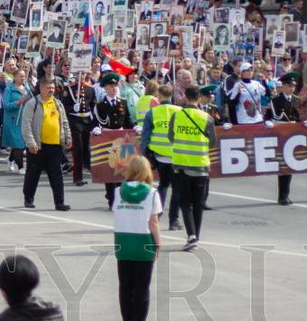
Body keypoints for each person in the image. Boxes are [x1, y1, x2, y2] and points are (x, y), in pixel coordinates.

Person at [113, 154, 162, 321]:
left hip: (123, 241)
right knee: (142, 286)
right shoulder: (152, 193)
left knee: (125, 286)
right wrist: (158, 243)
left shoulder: (118, 191)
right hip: (143, 241)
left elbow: (117, 213)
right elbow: (153, 222)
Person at [168, 86, 215, 251]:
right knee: (198, 203)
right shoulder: (207, 117)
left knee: (185, 202)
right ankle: (196, 236)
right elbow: (212, 142)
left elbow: (171, 137)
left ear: (186, 97)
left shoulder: (176, 116)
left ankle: (191, 235)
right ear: (199, 97)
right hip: (200, 164)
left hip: (181, 164)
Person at [20, 74, 73, 211]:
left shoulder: (58, 104)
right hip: (38, 146)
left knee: (56, 176)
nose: (51, 90)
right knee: (33, 174)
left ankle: (59, 202)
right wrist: (31, 143)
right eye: (49, 88)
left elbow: (64, 122)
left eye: (53, 88)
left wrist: (68, 137)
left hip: (55, 146)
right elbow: (26, 125)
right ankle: (28, 198)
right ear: (41, 88)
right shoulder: (33, 104)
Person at [140, 86, 182, 231]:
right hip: (176, 156)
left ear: (159, 96)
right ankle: (174, 220)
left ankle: (156, 216)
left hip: (159, 155)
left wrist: (144, 155)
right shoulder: (180, 111)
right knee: (177, 188)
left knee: (163, 185)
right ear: (171, 95)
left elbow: (145, 136)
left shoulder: (152, 112)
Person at [91, 71, 133, 208]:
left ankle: (120, 197)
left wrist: (135, 127)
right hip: (107, 138)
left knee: (121, 170)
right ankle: (111, 198)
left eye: (115, 86)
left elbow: (127, 121)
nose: (114, 88)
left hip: (120, 137)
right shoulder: (100, 104)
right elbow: (95, 121)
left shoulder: (123, 102)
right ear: (105, 88)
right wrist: (96, 128)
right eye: (111, 86)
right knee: (109, 171)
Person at [268, 72, 300, 205]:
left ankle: (286, 194)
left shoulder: (296, 100)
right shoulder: (276, 100)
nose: (292, 88)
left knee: (290, 165)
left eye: (293, 86)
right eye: (289, 86)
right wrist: (269, 122)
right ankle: (282, 196)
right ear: (284, 86)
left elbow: (298, 116)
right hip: (280, 134)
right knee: (283, 166)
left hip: (292, 135)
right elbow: (273, 116)